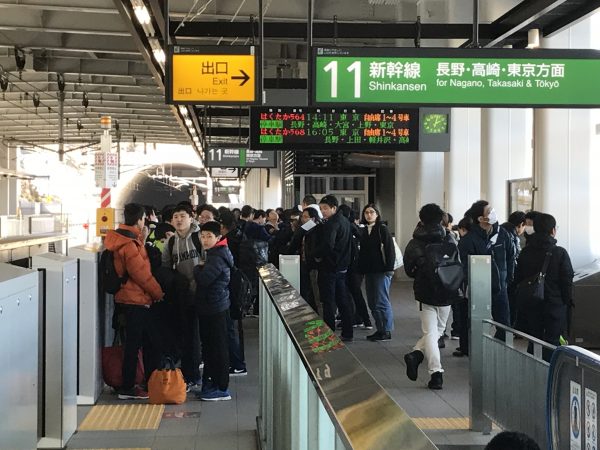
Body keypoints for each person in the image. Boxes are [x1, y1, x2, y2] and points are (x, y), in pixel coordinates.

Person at [104, 203, 164, 400]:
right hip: (136, 300)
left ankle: (137, 383)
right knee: (138, 344)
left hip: (128, 299)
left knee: (138, 342)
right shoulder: (129, 245)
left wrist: (142, 239)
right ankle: (129, 387)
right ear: (140, 219)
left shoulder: (122, 239)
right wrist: (158, 293)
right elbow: (141, 274)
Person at [403, 203, 460, 389]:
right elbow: (456, 263)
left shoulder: (415, 242)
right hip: (446, 290)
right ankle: (417, 356)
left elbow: (409, 271)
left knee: (430, 332)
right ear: (441, 219)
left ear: (421, 219)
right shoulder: (449, 238)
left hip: (425, 292)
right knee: (438, 331)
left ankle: (435, 372)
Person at [456, 200, 514, 356]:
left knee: (504, 323)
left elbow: (510, 256)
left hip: (500, 287)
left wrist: (508, 278)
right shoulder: (468, 240)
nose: (493, 213)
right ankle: (473, 352)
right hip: (478, 288)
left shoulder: (502, 234)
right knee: (474, 322)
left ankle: (500, 352)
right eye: (489, 211)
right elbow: (464, 266)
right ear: (481, 219)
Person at [513, 213, 574, 361]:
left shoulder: (526, 252)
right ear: (553, 230)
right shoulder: (559, 253)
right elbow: (567, 281)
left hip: (531, 304)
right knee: (552, 342)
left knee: (533, 340)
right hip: (554, 305)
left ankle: (532, 370)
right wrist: (566, 302)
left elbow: (518, 278)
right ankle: (548, 372)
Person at [161, 202, 204, 391]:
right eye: (176, 217)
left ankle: (196, 375)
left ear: (191, 218)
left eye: (182, 216)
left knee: (198, 336)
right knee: (188, 335)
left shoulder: (199, 237)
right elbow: (165, 267)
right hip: (183, 295)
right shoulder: (170, 242)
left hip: (202, 293)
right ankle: (191, 375)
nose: (179, 220)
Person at [193, 221, 234, 401]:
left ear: (218, 237)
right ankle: (212, 384)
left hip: (214, 306)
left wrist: (197, 269)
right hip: (213, 305)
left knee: (216, 347)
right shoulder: (216, 253)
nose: (205, 240)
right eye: (202, 236)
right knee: (212, 347)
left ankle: (220, 387)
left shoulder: (217, 256)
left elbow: (204, 279)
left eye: (209, 236)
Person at [315, 195, 354, 342]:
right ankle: (348, 332)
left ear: (334, 208)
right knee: (342, 300)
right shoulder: (345, 221)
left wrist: (316, 255)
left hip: (330, 267)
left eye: (325, 208)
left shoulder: (332, 223)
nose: (322, 211)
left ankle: (329, 333)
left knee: (328, 301)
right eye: (321, 209)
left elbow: (328, 245)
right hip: (342, 266)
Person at [357, 203, 394, 340]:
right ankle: (380, 328)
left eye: (372, 212)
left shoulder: (382, 229)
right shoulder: (364, 230)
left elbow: (389, 249)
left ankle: (386, 330)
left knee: (381, 300)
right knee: (372, 301)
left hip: (381, 271)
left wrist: (389, 268)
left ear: (377, 214)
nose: (369, 215)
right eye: (366, 212)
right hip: (369, 271)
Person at [501, 210, 527, 325]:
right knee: (509, 307)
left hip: (500, 275)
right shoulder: (512, 236)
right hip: (507, 277)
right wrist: (512, 279)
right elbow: (513, 259)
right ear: (521, 224)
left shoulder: (500, 231)